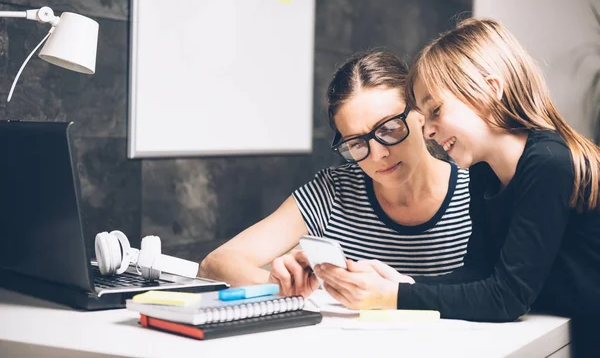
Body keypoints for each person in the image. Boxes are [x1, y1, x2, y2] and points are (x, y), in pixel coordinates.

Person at [314, 19, 600, 356]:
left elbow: (508, 298)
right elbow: (480, 271)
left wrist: (390, 297)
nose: (429, 131)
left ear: (491, 89)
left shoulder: (550, 162)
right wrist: (401, 284)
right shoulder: (483, 172)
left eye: (435, 111)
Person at [199, 51, 472, 297]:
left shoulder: (476, 191)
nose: (377, 154)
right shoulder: (333, 192)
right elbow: (215, 264)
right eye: (356, 143)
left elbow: (503, 293)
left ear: (421, 114)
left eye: (389, 129)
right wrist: (282, 286)